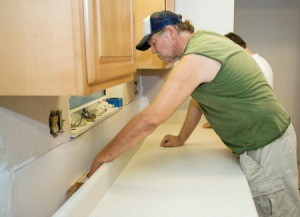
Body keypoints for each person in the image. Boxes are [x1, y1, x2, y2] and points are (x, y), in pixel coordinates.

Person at [88, 10, 300, 217]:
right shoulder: (204, 41)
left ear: (171, 33)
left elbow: (150, 120)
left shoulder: (197, 56)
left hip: (267, 148)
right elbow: (197, 101)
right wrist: (181, 138)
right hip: (266, 143)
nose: (153, 51)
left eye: (153, 43)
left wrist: (101, 158)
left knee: (277, 211)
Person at [202, 32, 274, 129]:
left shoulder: (248, 65)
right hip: (263, 123)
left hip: (254, 127)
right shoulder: (261, 61)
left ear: (233, 49)